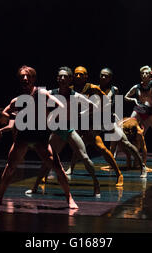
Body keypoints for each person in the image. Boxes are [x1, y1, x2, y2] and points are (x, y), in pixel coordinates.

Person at [0, 65, 78, 209]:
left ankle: (69, 198)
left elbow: (61, 105)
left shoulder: (41, 94)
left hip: (40, 138)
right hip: (23, 138)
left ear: (33, 78)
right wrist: (4, 122)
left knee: (58, 168)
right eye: (22, 76)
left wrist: (50, 118)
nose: (24, 78)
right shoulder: (17, 101)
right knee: (9, 168)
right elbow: (6, 118)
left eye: (27, 76)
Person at [27, 66, 101, 197]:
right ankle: (35, 187)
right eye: (60, 76)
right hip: (56, 131)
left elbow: (94, 107)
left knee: (85, 158)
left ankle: (96, 184)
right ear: (57, 78)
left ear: (70, 79)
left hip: (69, 129)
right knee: (47, 160)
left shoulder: (75, 95)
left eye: (65, 77)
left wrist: (80, 114)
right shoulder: (52, 93)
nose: (62, 79)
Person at [68, 66, 124, 186]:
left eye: (81, 74)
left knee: (102, 148)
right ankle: (67, 169)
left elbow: (106, 102)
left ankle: (119, 174)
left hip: (89, 125)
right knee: (72, 146)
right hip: (77, 124)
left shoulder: (91, 88)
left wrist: (94, 112)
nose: (78, 76)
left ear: (86, 76)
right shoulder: (70, 89)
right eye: (76, 74)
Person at [96, 68, 149, 177]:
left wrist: (119, 121)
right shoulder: (94, 89)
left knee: (125, 143)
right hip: (97, 121)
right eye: (102, 75)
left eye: (106, 76)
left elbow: (118, 106)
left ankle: (142, 167)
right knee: (83, 141)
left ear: (110, 78)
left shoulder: (114, 89)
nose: (103, 77)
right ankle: (71, 168)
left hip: (109, 120)